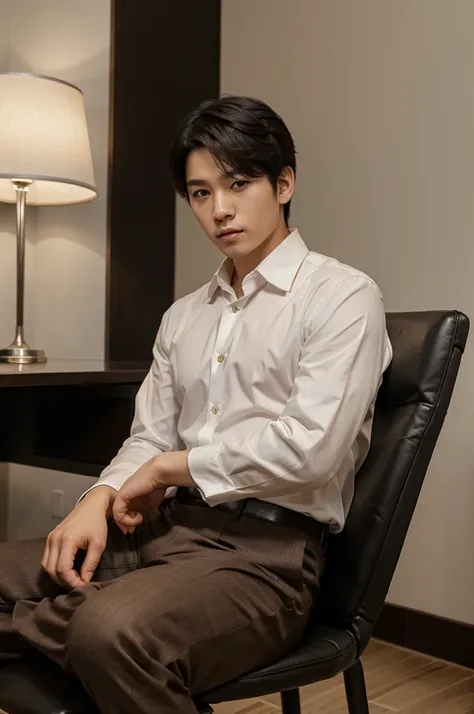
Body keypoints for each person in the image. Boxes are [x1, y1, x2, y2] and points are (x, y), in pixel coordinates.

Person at [0, 95, 392, 714]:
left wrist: (167, 470)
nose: (220, 210)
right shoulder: (185, 315)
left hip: (269, 561)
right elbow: (150, 436)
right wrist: (97, 499)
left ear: (284, 182)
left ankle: (57, 623)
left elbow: (309, 450)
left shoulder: (343, 297)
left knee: (110, 630)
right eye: (201, 193)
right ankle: (54, 621)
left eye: (238, 183)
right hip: (165, 530)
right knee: (46, 590)